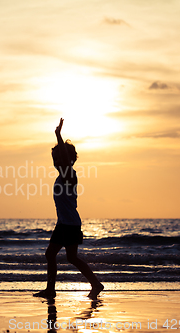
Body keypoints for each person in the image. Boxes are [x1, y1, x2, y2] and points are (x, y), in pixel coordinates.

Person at [34, 118, 104, 300]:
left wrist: (58, 135)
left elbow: (65, 159)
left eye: (59, 157)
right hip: (63, 223)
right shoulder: (62, 177)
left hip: (70, 224)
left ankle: (96, 284)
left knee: (71, 257)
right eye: (54, 158)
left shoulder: (69, 174)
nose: (57, 161)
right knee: (51, 254)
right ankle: (50, 289)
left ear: (69, 159)